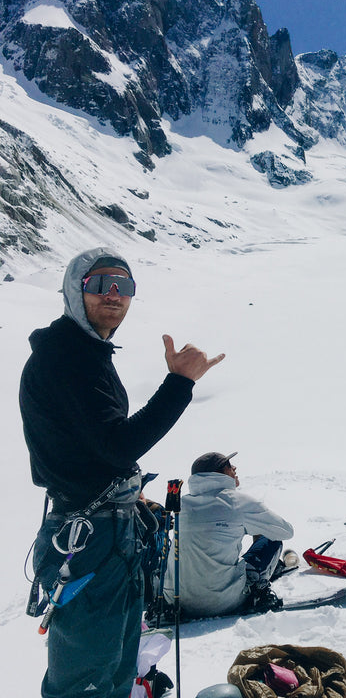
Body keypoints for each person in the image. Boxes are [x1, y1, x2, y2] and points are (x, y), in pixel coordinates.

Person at [21, 246, 225, 698]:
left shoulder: (84, 353)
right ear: (76, 290)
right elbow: (116, 445)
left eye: (124, 286)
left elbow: (92, 447)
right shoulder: (66, 358)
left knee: (112, 669)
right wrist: (179, 383)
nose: (113, 294)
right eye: (100, 284)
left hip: (103, 531)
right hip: (88, 541)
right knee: (86, 680)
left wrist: (127, 494)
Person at [164, 451, 294, 617]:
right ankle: (257, 585)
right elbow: (286, 531)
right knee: (271, 539)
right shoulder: (239, 502)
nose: (234, 467)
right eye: (228, 465)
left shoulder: (181, 504)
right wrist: (253, 526)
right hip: (223, 602)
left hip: (177, 602)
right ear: (219, 472)